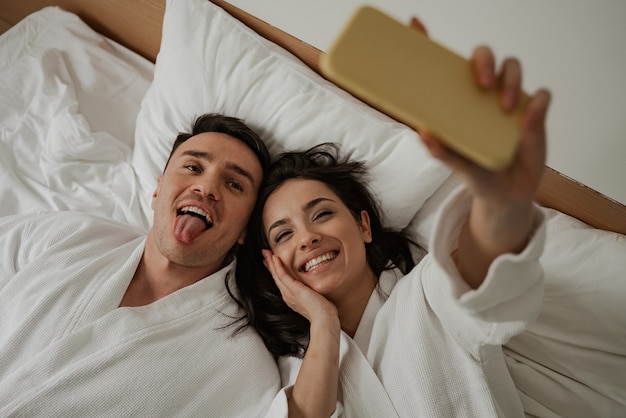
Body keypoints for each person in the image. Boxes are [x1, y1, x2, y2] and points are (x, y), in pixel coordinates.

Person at [234, 30, 552, 416]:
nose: (308, 238)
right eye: (284, 234)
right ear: (273, 263)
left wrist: (498, 196)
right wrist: (323, 321)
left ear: (365, 227)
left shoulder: (428, 297)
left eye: (322, 213)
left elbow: (480, 261)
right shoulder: (295, 370)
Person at [0, 114, 282, 416]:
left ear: (245, 231)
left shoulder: (243, 369)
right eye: (193, 167)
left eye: (234, 184)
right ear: (157, 191)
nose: (206, 186)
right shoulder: (64, 236)